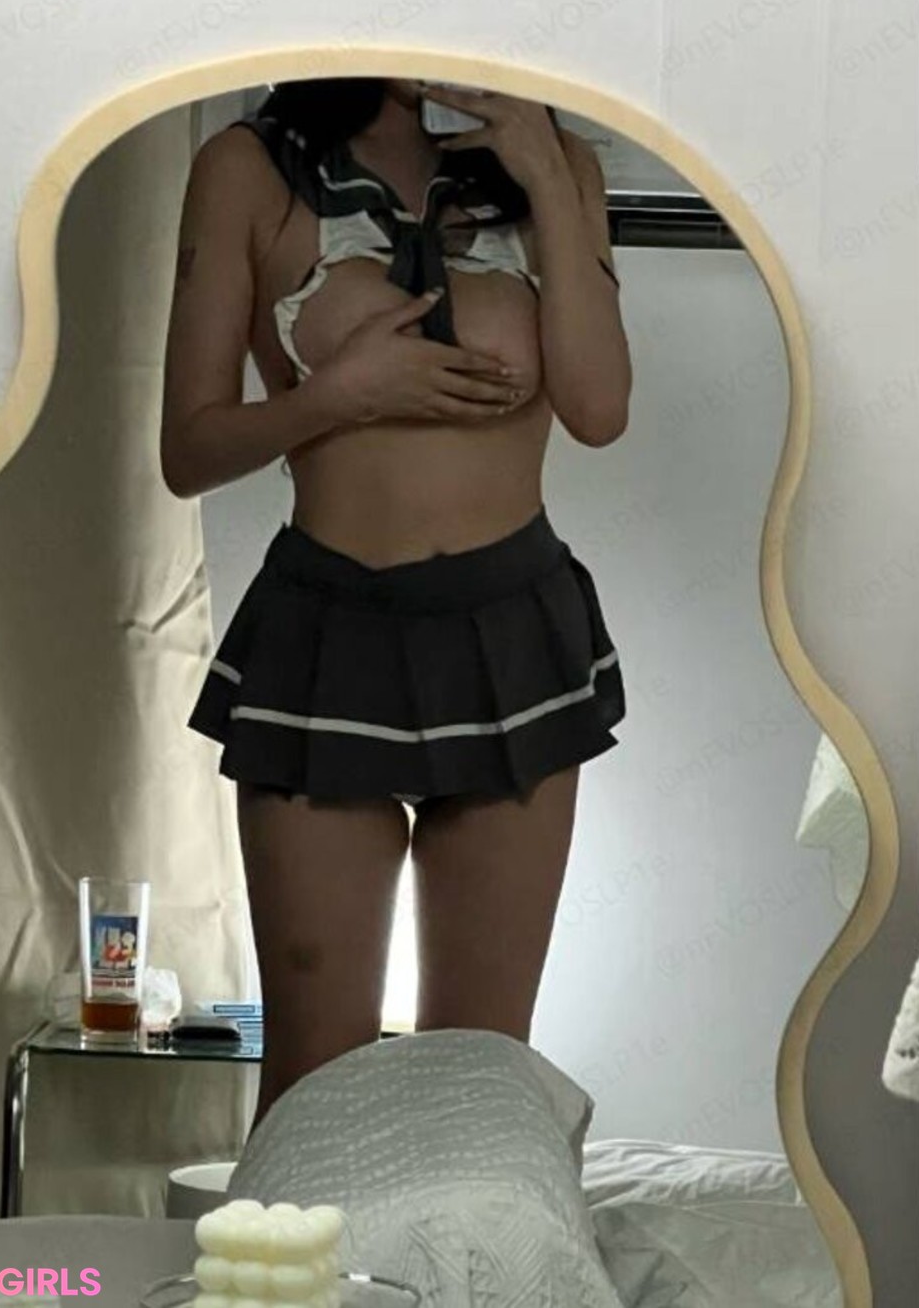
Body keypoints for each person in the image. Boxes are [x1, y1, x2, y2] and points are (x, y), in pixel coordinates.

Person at [160, 78, 631, 1126]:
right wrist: (336, 396)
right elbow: (187, 449)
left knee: (480, 1076)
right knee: (313, 1077)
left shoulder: (560, 166)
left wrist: (545, 171)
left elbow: (600, 409)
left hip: (510, 636)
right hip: (327, 636)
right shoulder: (249, 168)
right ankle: (292, 1243)